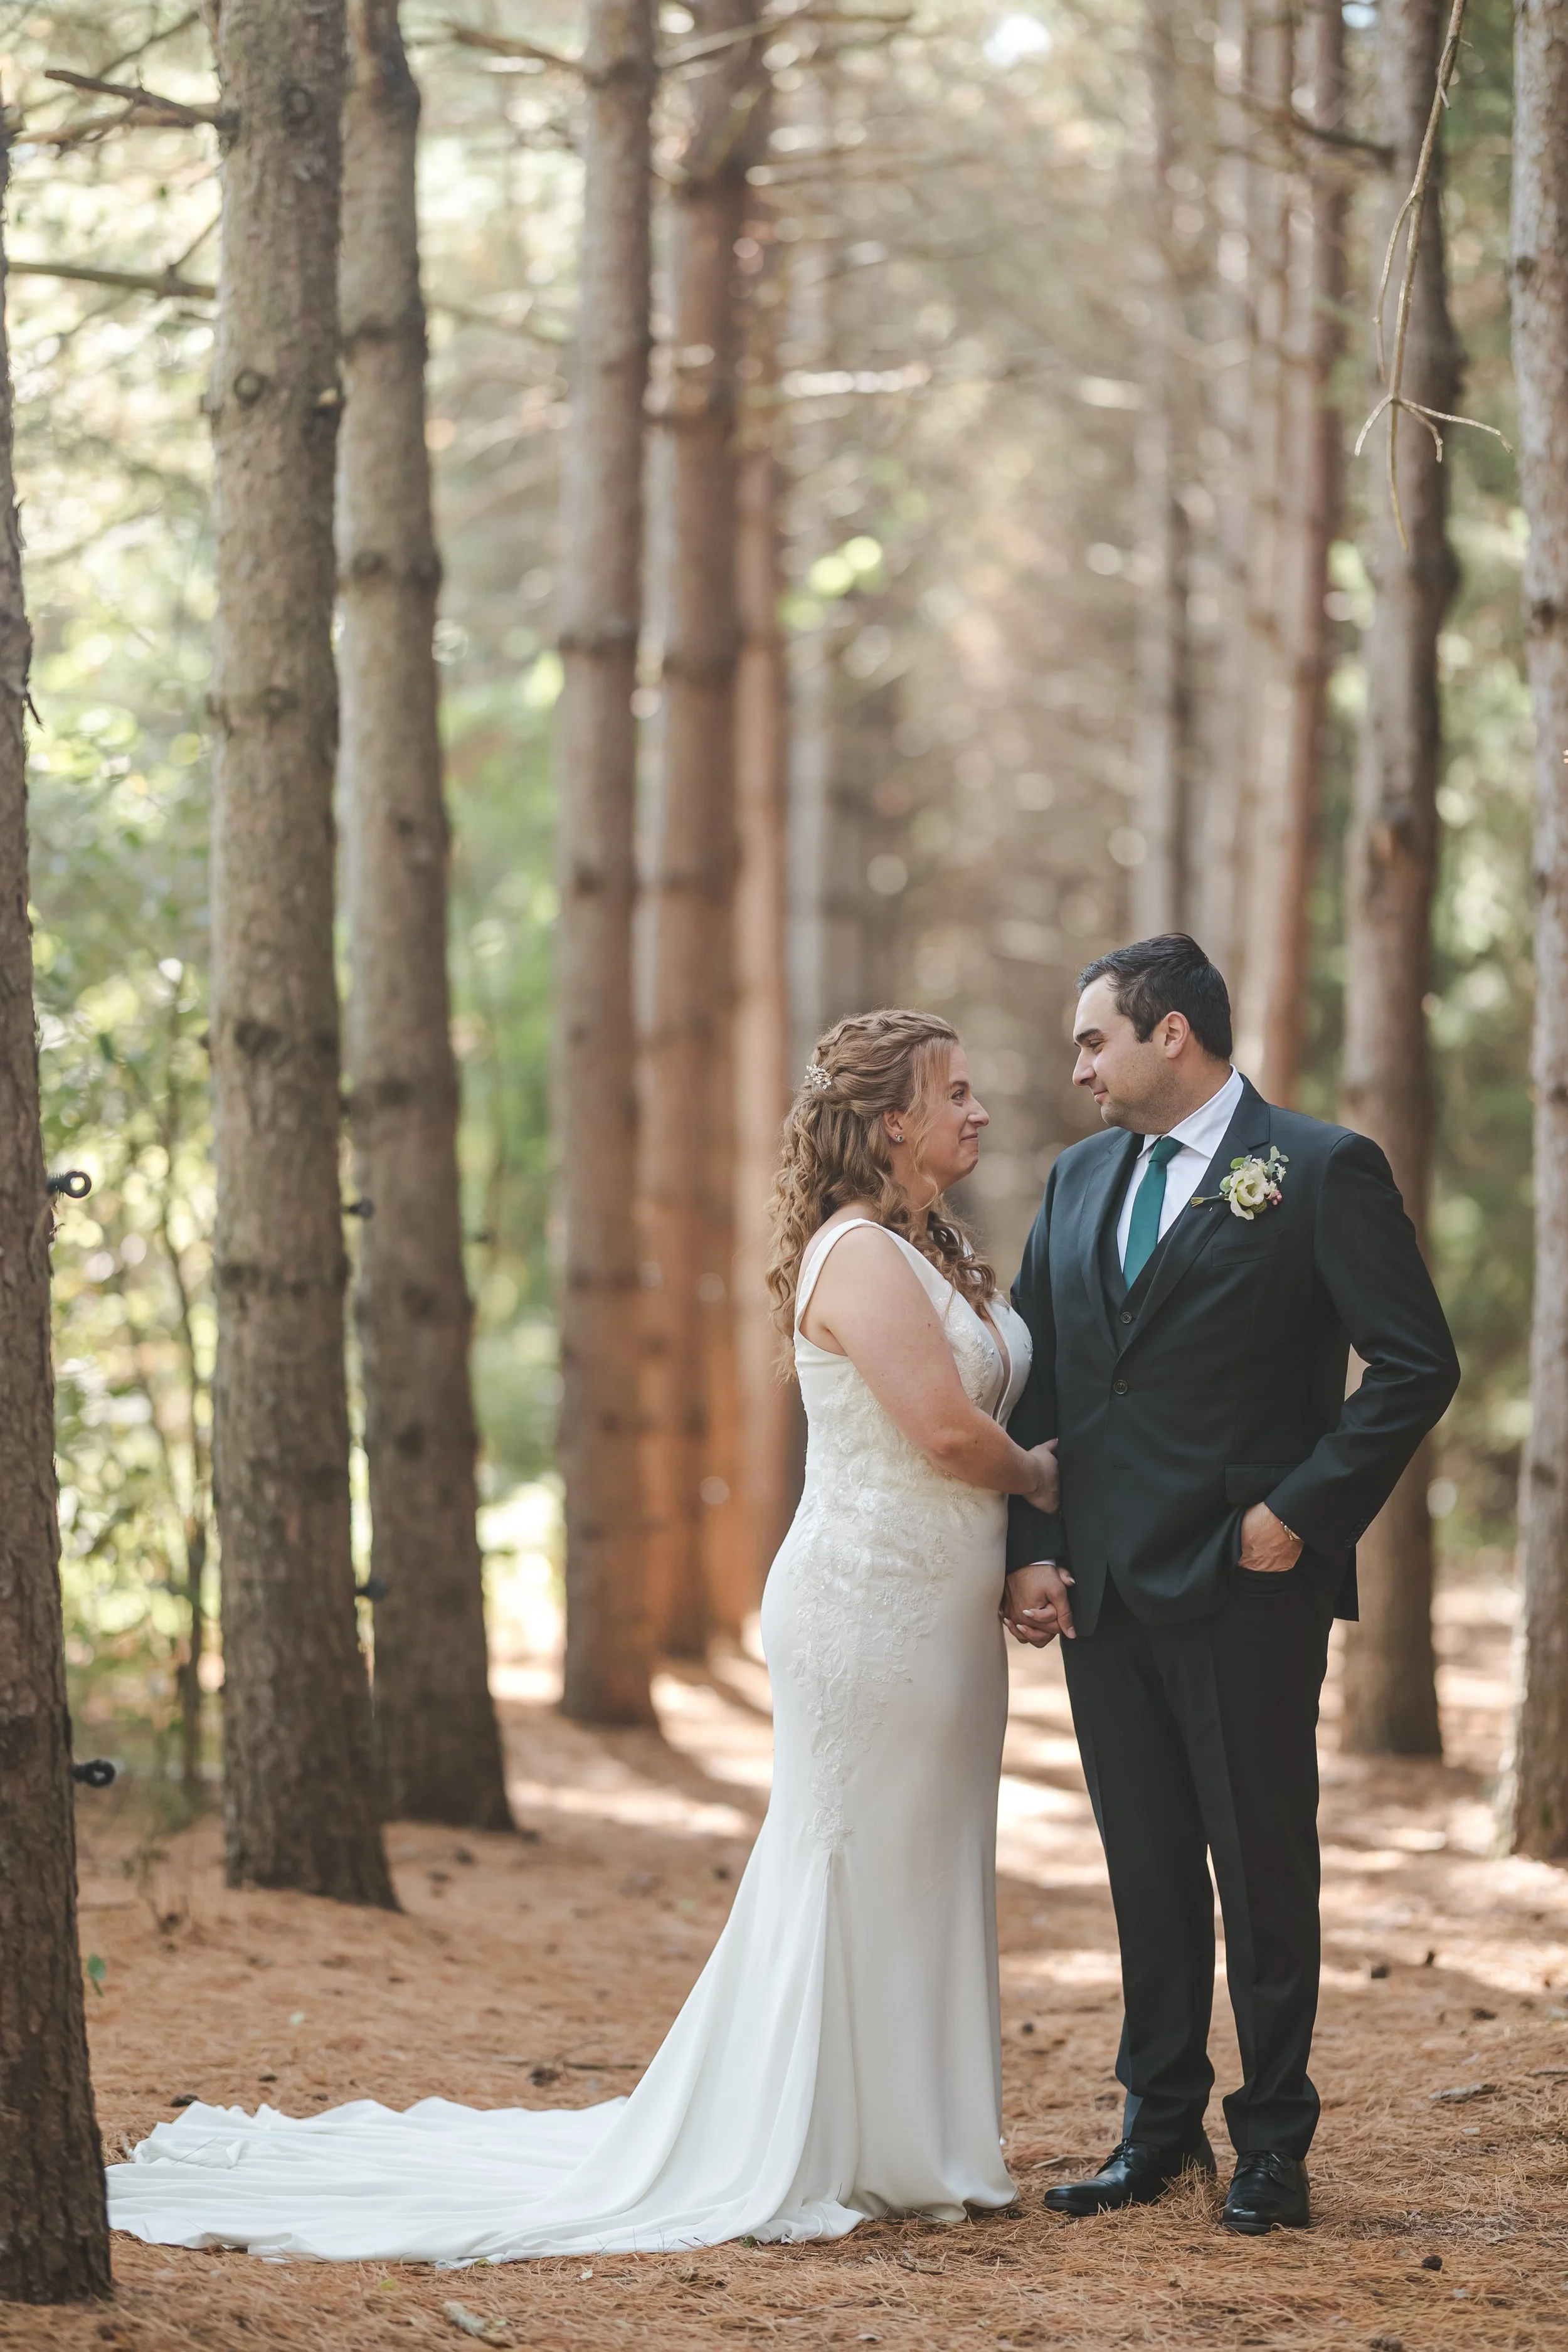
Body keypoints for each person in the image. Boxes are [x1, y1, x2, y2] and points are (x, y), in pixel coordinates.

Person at [107, 1007, 1056, 2262]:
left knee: (921, 1854)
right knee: (846, 1854)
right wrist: (1048, 1482)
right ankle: (813, 2135)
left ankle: (912, 2139)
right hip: (870, 1603)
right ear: (891, 1122)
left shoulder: (929, 1243)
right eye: (956, 1092)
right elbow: (941, 1434)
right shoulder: (861, 1258)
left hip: (939, 1608)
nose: (978, 1111)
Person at [1004, 934, 1459, 2235]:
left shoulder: (1316, 1170)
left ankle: (1270, 2141)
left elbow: (1415, 1364)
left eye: (1094, 1039)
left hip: (1244, 1579)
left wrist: (1294, 1515)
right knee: (1143, 1868)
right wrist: (1029, 1550)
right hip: (1100, 1590)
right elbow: (1043, 1375)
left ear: (1169, 1037)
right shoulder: (1076, 1175)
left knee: (1260, 1871)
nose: (1077, 1067)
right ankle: (1155, 2131)